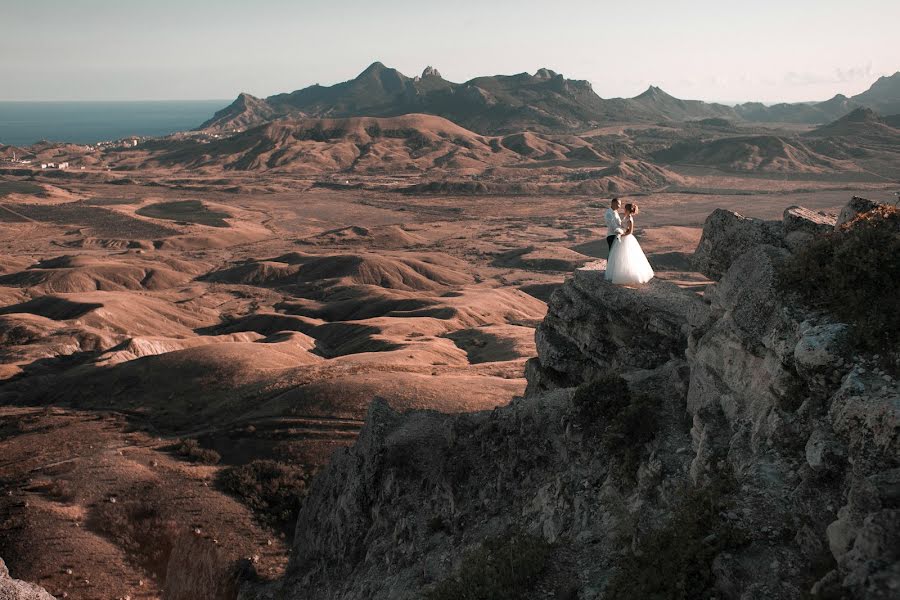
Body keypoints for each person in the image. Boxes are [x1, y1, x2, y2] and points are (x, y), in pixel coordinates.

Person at [605, 202, 654, 285]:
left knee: (627, 256)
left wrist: (622, 234)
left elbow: (630, 231)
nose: (623, 210)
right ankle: (619, 272)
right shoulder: (626, 217)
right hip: (622, 238)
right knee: (620, 256)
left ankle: (627, 275)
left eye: (625, 209)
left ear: (627, 210)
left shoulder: (630, 219)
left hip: (626, 239)